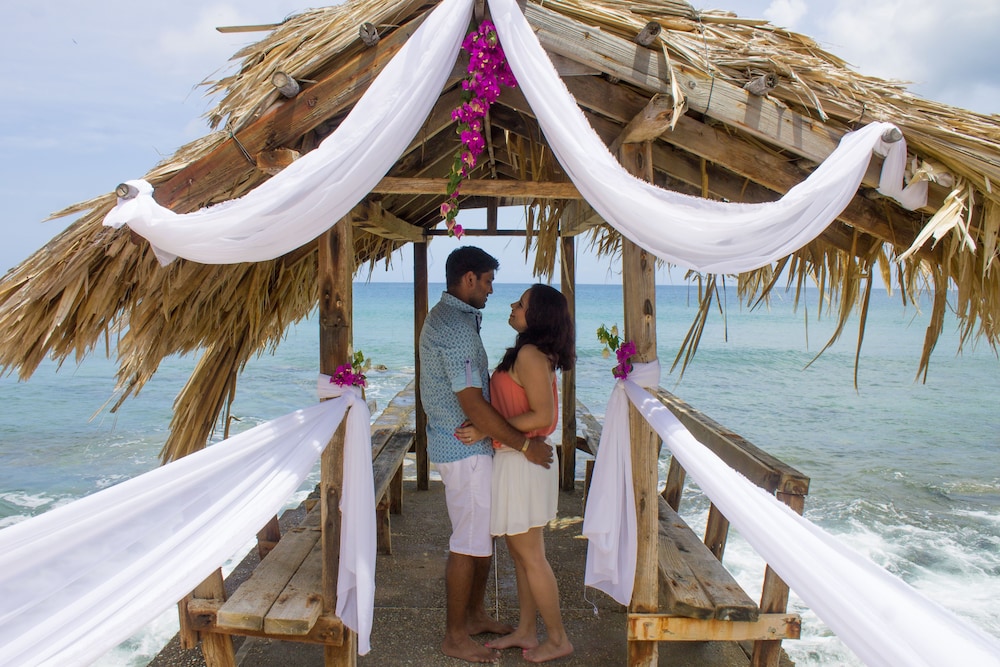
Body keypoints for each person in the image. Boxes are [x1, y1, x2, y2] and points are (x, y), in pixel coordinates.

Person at [418, 246, 554, 663]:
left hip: (461, 445)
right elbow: (474, 405)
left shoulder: (453, 319)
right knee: (467, 543)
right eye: (490, 280)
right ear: (469, 279)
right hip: (464, 449)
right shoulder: (456, 329)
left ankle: (474, 615)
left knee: (478, 539)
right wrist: (525, 445)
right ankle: (455, 636)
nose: (494, 290)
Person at [455, 283, 576, 663]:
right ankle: (527, 630)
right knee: (522, 555)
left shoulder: (529, 354)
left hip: (523, 461)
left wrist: (489, 427)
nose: (512, 305)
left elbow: (544, 416)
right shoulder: (530, 352)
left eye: (521, 304)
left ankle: (558, 638)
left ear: (536, 316)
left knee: (531, 556)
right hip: (517, 459)